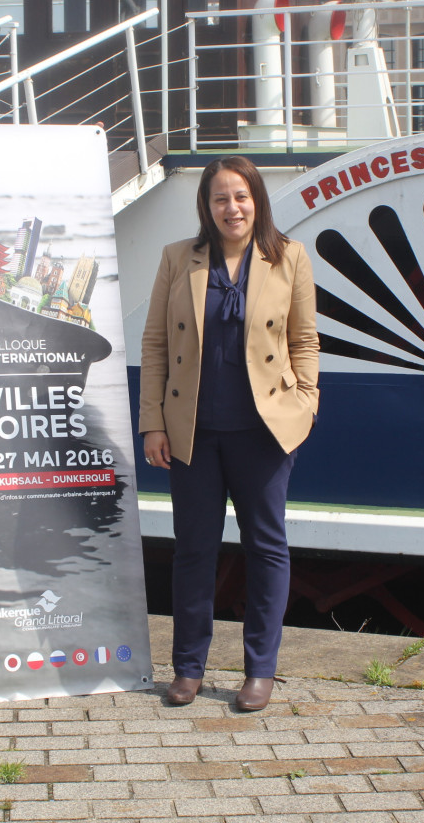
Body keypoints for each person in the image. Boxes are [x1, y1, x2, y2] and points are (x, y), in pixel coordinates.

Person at [139, 156, 319, 712]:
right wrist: (152, 423)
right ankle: (188, 668)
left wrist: (306, 405)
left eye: (241, 197)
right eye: (220, 198)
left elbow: (304, 340)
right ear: (206, 206)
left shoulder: (288, 257)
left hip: (263, 432)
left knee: (267, 548)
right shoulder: (178, 259)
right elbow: (155, 346)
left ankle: (259, 670)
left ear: (257, 200)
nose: (231, 208)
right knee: (194, 550)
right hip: (193, 430)